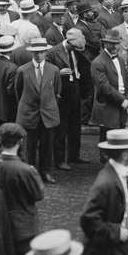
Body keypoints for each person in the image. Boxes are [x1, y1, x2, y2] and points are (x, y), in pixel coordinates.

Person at [0, 123, 45, 255]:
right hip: (22, 228)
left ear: (0, 141)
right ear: (20, 142)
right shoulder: (25, 170)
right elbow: (39, 194)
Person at [15, 38, 62, 184]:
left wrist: (48, 106)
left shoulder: (53, 70)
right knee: (28, 146)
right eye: (36, 52)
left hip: (48, 114)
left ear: (46, 52)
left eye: (41, 52)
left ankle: (45, 171)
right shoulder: (22, 70)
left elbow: (57, 91)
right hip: (29, 114)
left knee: (47, 145)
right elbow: (18, 92)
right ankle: (29, 173)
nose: (39, 55)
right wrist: (27, 106)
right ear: (31, 53)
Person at [45, 28, 89, 168]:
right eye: (74, 47)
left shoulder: (75, 50)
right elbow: (44, 70)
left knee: (75, 124)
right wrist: (58, 72)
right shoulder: (53, 52)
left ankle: (73, 155)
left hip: (75, 88)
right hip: (61, 92)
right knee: (61, 126)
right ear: (68, 43)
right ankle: (59, 159)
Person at [91, 29, 128, 162]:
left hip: (121, 103)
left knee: (119, 135)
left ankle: (117, 163)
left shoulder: (120, 59)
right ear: (105, 44)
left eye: (117, 43)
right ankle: (107, 167)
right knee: (108, 137)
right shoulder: (98, 62)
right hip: (108, 105)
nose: (115, 47)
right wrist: (122, 99)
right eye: (111, 44)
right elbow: (105, 88)